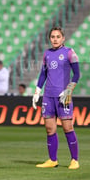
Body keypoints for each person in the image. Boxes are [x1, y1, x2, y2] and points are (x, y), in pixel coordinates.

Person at [32, 27, 81, 169]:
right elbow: (43, 74)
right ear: (49, 38)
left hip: (63, 95)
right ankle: (52, 160)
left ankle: (74, 160)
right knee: (49, 128)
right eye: (52, 37)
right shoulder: (47, 54)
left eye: (58, 36)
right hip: (48, 95)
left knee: (67, 127)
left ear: (63, 38)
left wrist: (69, 90)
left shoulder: (70, 53)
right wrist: (37, 91)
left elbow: (77, 74)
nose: (55, 39)